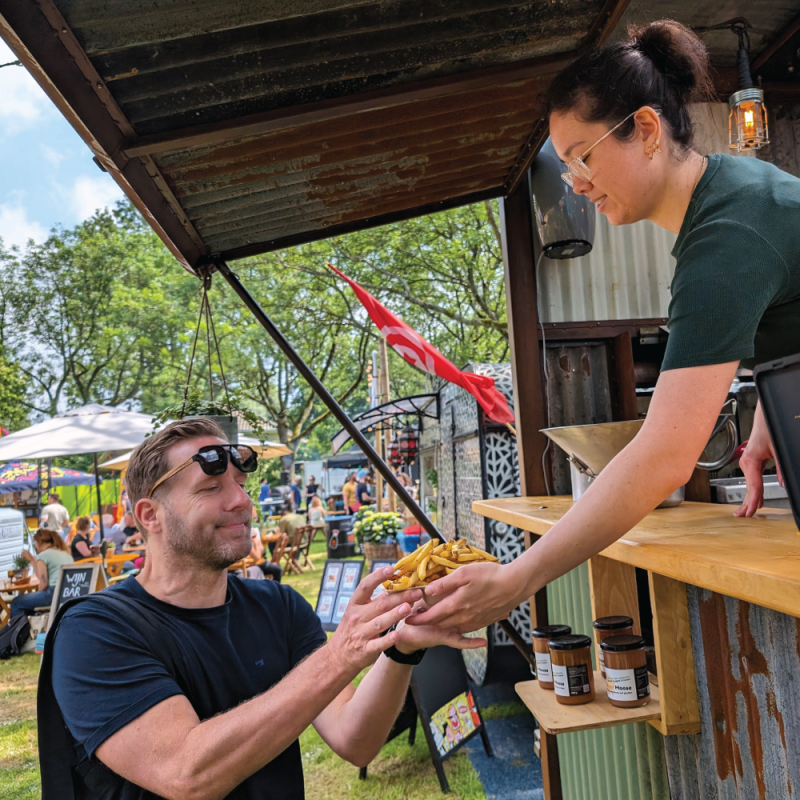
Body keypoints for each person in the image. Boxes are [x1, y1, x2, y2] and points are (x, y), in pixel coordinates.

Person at [408, 20, 800, 636]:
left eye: (581, 158)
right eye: (566, 169)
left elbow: (667, 456)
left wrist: (517, 579)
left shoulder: (726, 237)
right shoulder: (730, 200)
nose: (578, 185)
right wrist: (769, 421)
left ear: (645, 130)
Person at [43, 417, 483, 799]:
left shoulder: (280, 607)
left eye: (240, 484)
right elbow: (186, 774)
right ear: (150, 515)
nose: (241, 501)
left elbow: (356, 739)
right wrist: (341, 654)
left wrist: (401, 649)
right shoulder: (95, 630)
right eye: (211, 487)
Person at [12, 528, 73, 616]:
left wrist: (37, 594)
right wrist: (33, 560)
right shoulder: (65, 553)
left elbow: (43, 583)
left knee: (16, 602)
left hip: (53, 594)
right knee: (28, 602)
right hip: (69, 592)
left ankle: (18, 629)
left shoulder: (43, 555)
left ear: (39, 542)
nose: (34, 545)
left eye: (34, 542)